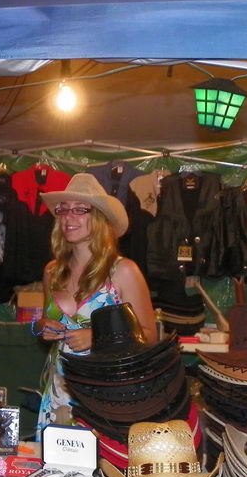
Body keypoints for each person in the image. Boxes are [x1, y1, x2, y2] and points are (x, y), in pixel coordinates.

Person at [32, 174, 156, 435]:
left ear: (99, 218)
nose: (68, 217)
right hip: (59, 394)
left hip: (106, 395)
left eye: (80, 209)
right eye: (63, 209)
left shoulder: (122, 271)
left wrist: (98, 337)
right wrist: (42, 327)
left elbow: (149, 336)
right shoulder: (52, 271)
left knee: (102, 458)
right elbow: (44, 322)